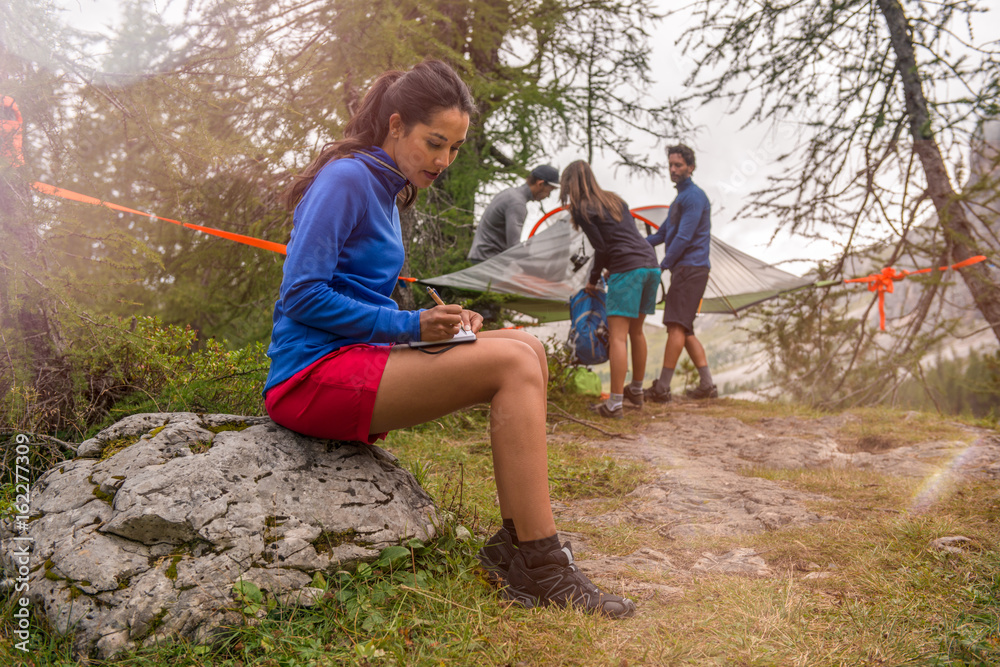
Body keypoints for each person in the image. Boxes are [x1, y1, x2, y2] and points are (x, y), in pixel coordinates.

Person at [263, 60, 634, 618]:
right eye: (435, 143)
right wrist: (409, 327)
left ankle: (517, 547)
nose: (444, 161)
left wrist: (435, 327)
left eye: (456, 148)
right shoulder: (347, 179)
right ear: (395, 125)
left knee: (525, 348)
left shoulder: (386, 190)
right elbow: (302, 296)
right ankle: (541, 564)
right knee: (511, 364)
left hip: (354, 359)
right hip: (309, 377)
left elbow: (360, 297)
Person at [559, 160, 660, 418]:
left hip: (627, 268)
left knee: (617, 336)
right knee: (637, 332)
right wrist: (610, 267)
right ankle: (636, 390)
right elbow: (619, 240)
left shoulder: (582, 207)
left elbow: (602, 248)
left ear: (570, 184)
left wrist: (592, 279)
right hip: (650, 265)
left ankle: (615, 404)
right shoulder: (615, 200)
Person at [644, 144, 717, 402]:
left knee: (675, 325)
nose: (673, 170)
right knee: (684, 328)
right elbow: (663, 234)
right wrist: (635, 244)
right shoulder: (680, 199)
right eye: (671, 165)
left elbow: (684, 236)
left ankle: (662, 388)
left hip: (691, 268)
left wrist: (662, 265)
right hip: (688, 269)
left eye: (678, 165)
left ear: (690, 167)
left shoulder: (694, 197)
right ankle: (707, 385)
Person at [466, 164, 560, 262]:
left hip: (483, 256)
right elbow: (514, 246)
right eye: (550, 190)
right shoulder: (517, 204)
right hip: (487, 260)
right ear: (540, 184)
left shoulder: (510, 194)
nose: (548, 196)